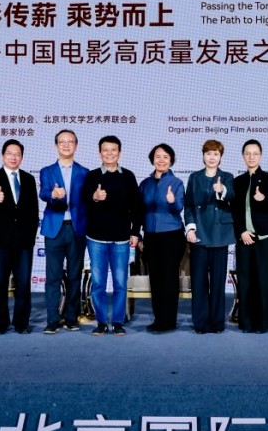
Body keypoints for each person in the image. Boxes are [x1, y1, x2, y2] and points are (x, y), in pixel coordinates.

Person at [81, 135, 142, 337]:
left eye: (113, 150)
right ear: (99, 153)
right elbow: (83, 201)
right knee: (98, 283)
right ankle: (101, 322)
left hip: (122, 239)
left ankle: (117, 322)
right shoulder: (92, 176)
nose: (109, 153)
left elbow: (137, 207)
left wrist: (135, 232)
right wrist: (94, 196)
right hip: (96, 238)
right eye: (105, 150)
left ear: (119, 153)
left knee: (120, 283)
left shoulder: (128, 176)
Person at [0, 139, 39, 335]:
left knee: (23, 283)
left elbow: (34, 211)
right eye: (10, 153)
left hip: (24, 241)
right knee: (0, 282)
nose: (13, 157)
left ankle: (21, 322)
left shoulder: (29, 179)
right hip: (0, 241)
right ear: (2, 156)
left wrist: (31, 237)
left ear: (21, 157)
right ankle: (0, 323)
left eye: (17, 154)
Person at [38, 129, 89, 334]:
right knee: (53, 277)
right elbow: (43, 192)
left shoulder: (84, 172)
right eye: (62, 141)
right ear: (56, 145)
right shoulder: (47, 171)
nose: (66, 145)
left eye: (70, 141)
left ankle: (71, 317)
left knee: (75, 275)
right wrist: (53, 194)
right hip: (54, 229)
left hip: (77, 228)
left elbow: (88, 199)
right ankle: (52, 319)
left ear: (76, 145)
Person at [184, 139, 236, 334]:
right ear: (203, 156)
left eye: (215, 154)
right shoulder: (194, 177)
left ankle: (217, 323)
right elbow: (189, 205)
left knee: (217, 282)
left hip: (220, 235)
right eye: (208, 153)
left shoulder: (227, 177)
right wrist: (190, 229)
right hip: (199, 235)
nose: (212, 157)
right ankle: (201, 323)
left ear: (220, 157)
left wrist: (222, 191)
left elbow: (231, 195)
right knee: (198, 282)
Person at [138, 143, 186, 334]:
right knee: (155, 279)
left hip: (172, 236)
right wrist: (138, 234)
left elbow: (179, 207)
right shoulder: (145, 184)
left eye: (165, 157)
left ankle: (169, 321)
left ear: (171, 160)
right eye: (158, 156)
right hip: (151, 236)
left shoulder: (176, 183)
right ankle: (158, 319)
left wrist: (172, 202)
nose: (161, 160)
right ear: (152, 159)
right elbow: (139, 211)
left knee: (169, 279)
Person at [230, 139, 268, 334]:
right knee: (246, 281)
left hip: (265, 238)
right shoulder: (237, 181)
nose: (251, 157)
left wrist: (263, 199)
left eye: (255, 153)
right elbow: (234, 211)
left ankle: (264, 323)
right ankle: (246, 323)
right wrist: (241, 231)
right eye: (247, 153)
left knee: (264, 282)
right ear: (243, 156)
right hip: (244, 238)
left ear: (261, 156)